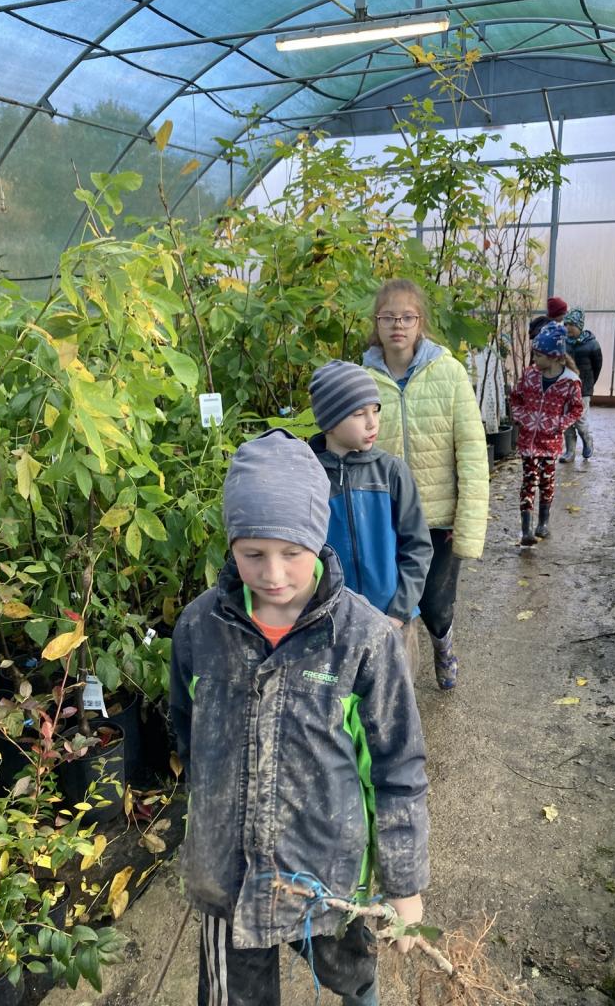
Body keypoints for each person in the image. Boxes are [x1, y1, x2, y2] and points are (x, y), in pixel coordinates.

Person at [169, 428, 430, 1006]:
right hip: (227, 874)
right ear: (231, 545)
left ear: (319, 536)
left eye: (292, 552)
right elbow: (187, 732)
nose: (273, 574)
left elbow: (398, 769)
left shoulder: (362, 639)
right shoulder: (199, 628)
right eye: (252, 554)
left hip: (325, 875)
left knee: (354, 977)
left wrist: (404, 884)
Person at [363, 279, 489, 692]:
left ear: (420, 322)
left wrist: (468, 526)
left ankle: (443, 642)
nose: (397, 325)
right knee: (393, 602)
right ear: (376, 323)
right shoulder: (362, 379)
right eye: (388, 317)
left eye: (407, 317)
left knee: (436, 603)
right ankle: (397, 680)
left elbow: (472, 453)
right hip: (386, 517)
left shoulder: (448, 374)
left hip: (438, 518)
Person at [308, 360, 433, 673]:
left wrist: (400, 611)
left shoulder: (392, 473)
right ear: (330, 422)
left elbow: (418, 546)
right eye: (358, 413)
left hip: (394, 622)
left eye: (375, 410)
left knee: (396, 696)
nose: (372, 422)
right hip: (333, 625)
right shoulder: (310, 478)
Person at [510, 323, 584, 546]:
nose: (534, 359)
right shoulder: (529, 375)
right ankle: (526, 529)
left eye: (539, 355)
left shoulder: (570, 381)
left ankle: (543, 523)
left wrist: (559, 424)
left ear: (554, 357)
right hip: (528, 441)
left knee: (546, 482)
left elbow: (576, 409)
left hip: (550, 444)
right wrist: (522, 417)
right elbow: (515, 398)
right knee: (528, 482)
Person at [560, 307, 603, 462]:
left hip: (583, 389)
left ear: (580, 325)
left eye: (571, 324)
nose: (568, 328)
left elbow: (597, 367)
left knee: (579, 419)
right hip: (564, 388)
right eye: (566, 324)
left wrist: (589, 385)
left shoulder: (592, 344)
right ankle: (570, 452)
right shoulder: (563, 343)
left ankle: (587, 440)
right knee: (566, 420)